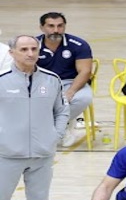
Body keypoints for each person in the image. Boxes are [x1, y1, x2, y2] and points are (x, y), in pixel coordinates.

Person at [0, 35, 67, 200]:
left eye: (33, 48)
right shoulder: (2, 80)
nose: (30, 53)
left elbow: (62, 110)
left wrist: (55, 136)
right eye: (24, 49)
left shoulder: (52, 80)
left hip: (42, 154)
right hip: (6, 154)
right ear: (12, 53)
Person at [37, 12, 95, 149]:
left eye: (60, 26)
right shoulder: (33, 45)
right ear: (42, 28)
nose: (56, 30)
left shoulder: (79, 44)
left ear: (65, 26)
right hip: (43, 83)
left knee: (84, 98)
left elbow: (85, 71)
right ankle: (62, 125)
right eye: (51, 26)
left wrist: (71, 92)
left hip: (71, 82)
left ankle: (60, 126)